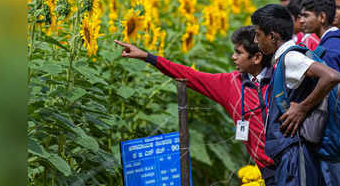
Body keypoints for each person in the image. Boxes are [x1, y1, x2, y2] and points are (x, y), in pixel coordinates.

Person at [115, 26, 277, 185]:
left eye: (239, 52)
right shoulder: (231, 85)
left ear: (256, 58)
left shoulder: (281, 78)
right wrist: (147, 57)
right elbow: (190, 75)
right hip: (267, 170)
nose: (233, 57)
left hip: (292, 160)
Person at [251, 4, 340, 186]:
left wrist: (302, 108)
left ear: (272, 36)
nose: (255, 41)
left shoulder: (291, 58)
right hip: (293, 153)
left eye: (258, 34)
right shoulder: (286, 57)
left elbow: (332, 76)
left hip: (295, 154)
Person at [300, 0, 340, 186]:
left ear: (322, 17)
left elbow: (336, 100)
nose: (301, 21)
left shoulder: (330, 51)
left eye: (306, 15)